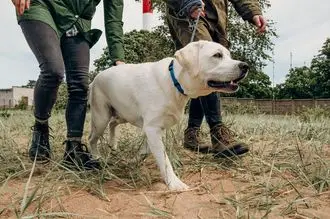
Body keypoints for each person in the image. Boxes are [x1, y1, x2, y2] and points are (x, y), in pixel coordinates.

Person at [11, 0, 125, 169]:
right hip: (42, 5)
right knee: (53, 70)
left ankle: (73, 149)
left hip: (77, 20)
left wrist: (119, 59)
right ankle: (40, 128)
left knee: (80, 83)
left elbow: (113, 19)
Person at [166, 0, 266, 157]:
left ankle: (192, 133)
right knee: (208, 70)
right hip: (188, 13)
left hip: (218, 16)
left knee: (208, 74)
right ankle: (218, 134)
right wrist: (186, 3)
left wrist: (253, 11)